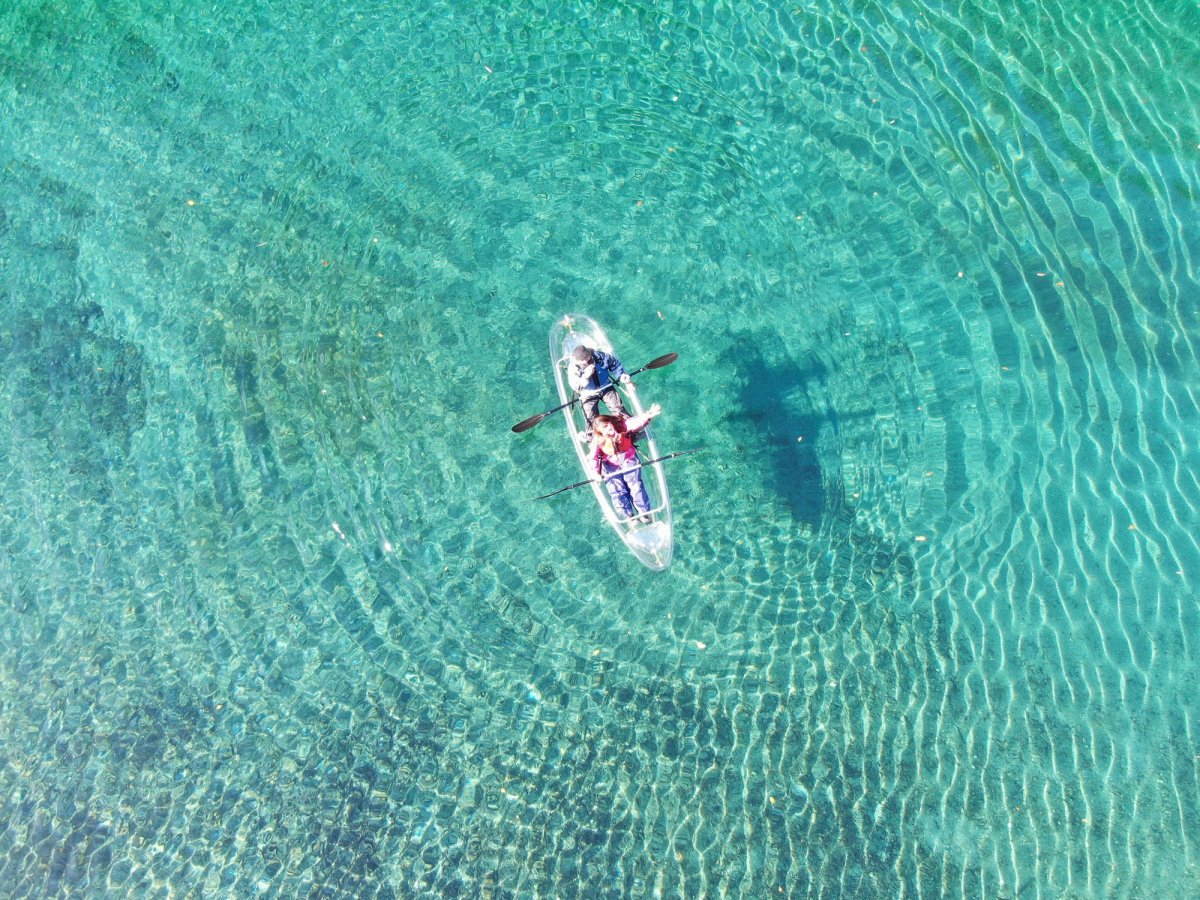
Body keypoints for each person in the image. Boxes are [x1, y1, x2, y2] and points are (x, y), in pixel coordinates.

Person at [589, 404, 662, 523]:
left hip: (628, 459)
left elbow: (634, 423)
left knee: (636, 486)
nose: (608, 429)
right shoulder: (598, 440)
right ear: (600, 432)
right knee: (617, 490)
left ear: (611, 422)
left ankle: (644, 513)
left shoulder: (620, 427)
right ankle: (629, 516)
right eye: (604, 429)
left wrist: (647, 416)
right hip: (610, 465)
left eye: (608, 425)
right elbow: (593, 458)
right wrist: (596, 473)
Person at [567, 345, 629, 439]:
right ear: (577, 360)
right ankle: (592, 439)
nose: (586, 360)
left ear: (589, 353)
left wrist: (621, 375)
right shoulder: (573, 368)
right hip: (587, 394)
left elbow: (614, 364)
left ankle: (628, 430)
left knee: (618, 409)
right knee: (591, 420)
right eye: (582, 359)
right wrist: (585, 376)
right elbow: (575, 386)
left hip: (606, 387)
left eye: (587, 357)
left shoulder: (599, 356)